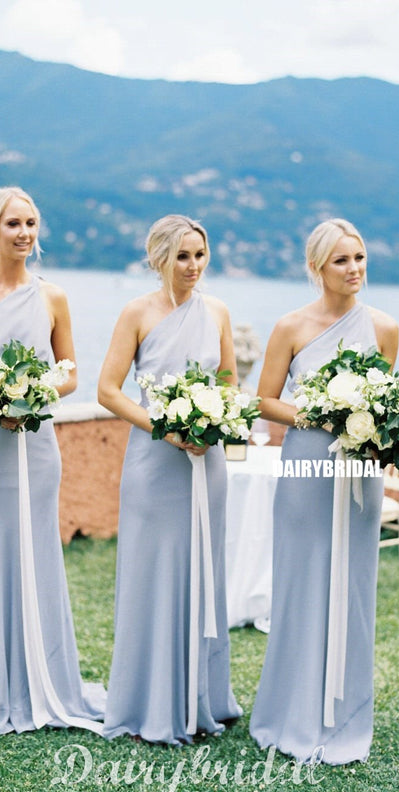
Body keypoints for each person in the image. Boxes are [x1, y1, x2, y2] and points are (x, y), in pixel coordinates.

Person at [0, 186, 105, 734]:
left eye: (31, 223)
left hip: (35, 449)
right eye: (13, 224)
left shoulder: (53, 297)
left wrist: (31, 395)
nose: (24, 233)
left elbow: (70, 373)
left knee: (35, 556)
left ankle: (39, 678)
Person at [249, 218, 399, 764]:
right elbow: (265, 400)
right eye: (341, 260)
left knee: (352, 589)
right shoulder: (290, 327)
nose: (354, 269)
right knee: (301, 584)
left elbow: (384, 407)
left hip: (358, 473)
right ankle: (289, 713)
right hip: (306, 466)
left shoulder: (385, 328)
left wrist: (375, 430)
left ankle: (345, 716)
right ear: (317, 267)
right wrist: (323, 413)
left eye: (359, 258)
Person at [98, 214, 242, 744]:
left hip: (208, 463)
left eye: (200, 254)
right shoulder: (136, 312)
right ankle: (149, 702)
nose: (193, 265)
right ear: (159, 258)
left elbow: (229, 381)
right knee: (152, 575)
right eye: (183, 256)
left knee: (203, 571)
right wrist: (166, 427)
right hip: (153, 464)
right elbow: (108, 390)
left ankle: (202, 698)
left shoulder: (218, 311)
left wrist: (214, 423)